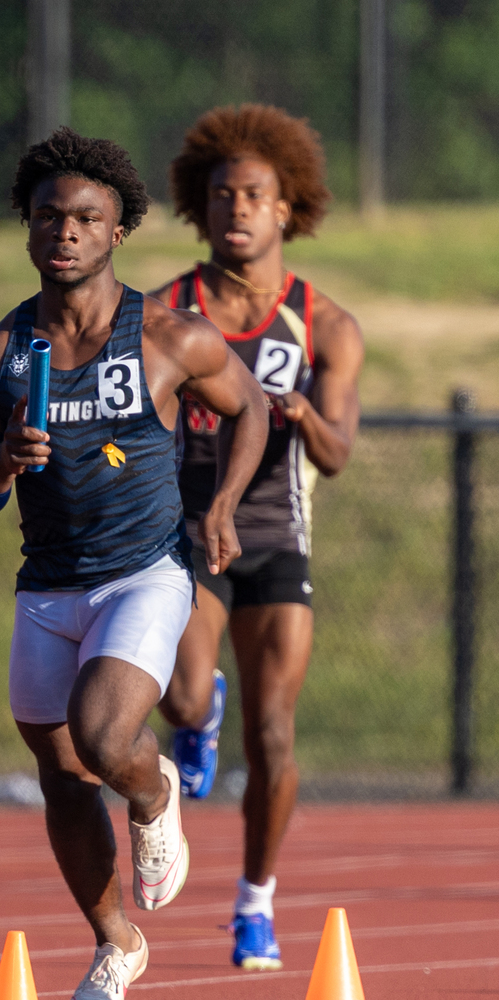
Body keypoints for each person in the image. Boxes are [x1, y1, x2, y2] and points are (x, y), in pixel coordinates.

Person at [0, 128, 268, 1000]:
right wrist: (3, 463)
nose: (66, 231)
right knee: (59, 775)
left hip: (146, 571)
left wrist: (225, 505)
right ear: (27, 228)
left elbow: (251, 409)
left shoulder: (167, 335)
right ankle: (116, 942)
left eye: (86, 217)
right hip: (48, 585)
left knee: (101, 736)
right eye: (48, 216)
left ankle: (154, 792)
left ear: (118, 229)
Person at [152, 105, 363, 971]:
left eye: (255, 195)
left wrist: (305, 411)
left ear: (289, 209)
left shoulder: (325, 324)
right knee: (182, 697)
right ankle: (197, 723)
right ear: (200, 211)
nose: (237, 208)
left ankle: (256, 904)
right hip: (192, 528)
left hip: (277, 532)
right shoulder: (168, 309)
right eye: (221, 195)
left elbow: (340, 454)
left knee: (273, 735)